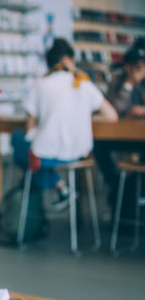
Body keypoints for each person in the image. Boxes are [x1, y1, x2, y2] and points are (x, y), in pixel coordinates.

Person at [21, 39, 117, 209]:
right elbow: (111, 116)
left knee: (20, 146)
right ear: (67, 60)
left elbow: (29, 127)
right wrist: (86, 118)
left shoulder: (40, 84)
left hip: (46, 155)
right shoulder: (84, 83)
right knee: (30, 155)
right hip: (80, 152)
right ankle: (61, 188)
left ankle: (60, 186)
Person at [94, 38, 145, 212]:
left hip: (142, 139)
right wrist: (129, 84)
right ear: (127, 67)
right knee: (97, 144)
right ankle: (116, 185)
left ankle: (135, 194)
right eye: (137, 67)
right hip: (119, 136)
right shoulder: (117, 83)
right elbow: (113, 108)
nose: (141, 71)